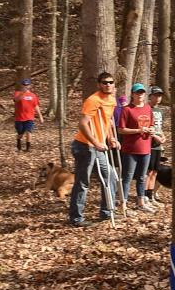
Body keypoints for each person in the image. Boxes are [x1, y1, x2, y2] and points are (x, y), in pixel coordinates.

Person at [68, 73, 120, 227]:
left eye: (110, 82)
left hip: (98, 147)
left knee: (110, 176)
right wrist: (96, 142)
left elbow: (108, 122)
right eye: (104, 83)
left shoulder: (111, 100)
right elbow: (83, 124)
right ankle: (76, 218)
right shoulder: (93, 100)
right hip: (85, 146)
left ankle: (107, 212)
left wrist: (110, 138)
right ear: (99, 84)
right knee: (83, 182)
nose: (108, 85)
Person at [117, 83, 156, 212]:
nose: (140, 95)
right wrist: (138, 130)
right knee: (127, 177)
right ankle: (123, 204)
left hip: (146, 148)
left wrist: (151, 130)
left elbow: (152, 125)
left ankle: (141, 202)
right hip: (130, 149)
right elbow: (121, 130)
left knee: (142, 177)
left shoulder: (148, 108)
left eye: (142, 93)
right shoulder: (127, 109)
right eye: (137, 92)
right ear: (132, 94)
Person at [144, 86, 166, 203]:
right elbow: (146, 127)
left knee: (155, 171)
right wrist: (155, 137)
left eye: (160, 96)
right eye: (156, 95)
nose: (158, 98)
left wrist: (162, 136)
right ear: (150, 96)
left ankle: (150, 194)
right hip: (149, 144)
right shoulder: (147, 109)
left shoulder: (160, 111)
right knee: (148, 171)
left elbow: (159, 127)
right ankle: (144, 195)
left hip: (158, 145)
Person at [13, 78, 44, 152]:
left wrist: (40, 116)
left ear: (30, 86)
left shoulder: (33, 95)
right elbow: (16, 100)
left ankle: (28, 148)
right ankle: (18, 143)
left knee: (28, 131)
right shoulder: (17, 93)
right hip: (19, 118)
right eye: (24, 85)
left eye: (27, 85)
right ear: (21, 85)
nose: (25, 86)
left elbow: (36, 106)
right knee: (20, 134)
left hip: (29, 117)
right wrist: (23, 93)